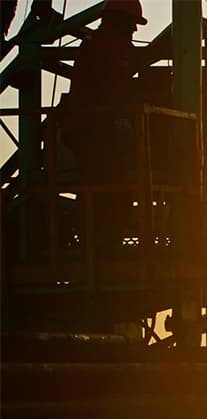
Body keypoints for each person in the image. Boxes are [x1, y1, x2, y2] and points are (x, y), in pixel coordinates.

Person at [62, 0, 146, 257]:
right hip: (94, 132)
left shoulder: (103, 46)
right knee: (108, 190)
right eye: (132, 26)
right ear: (119, 23)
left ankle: (99, 241)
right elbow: (112, 88)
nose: (134, 32)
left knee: (102, 190)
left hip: (89, 131)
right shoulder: (105, 48)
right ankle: (101, 244)